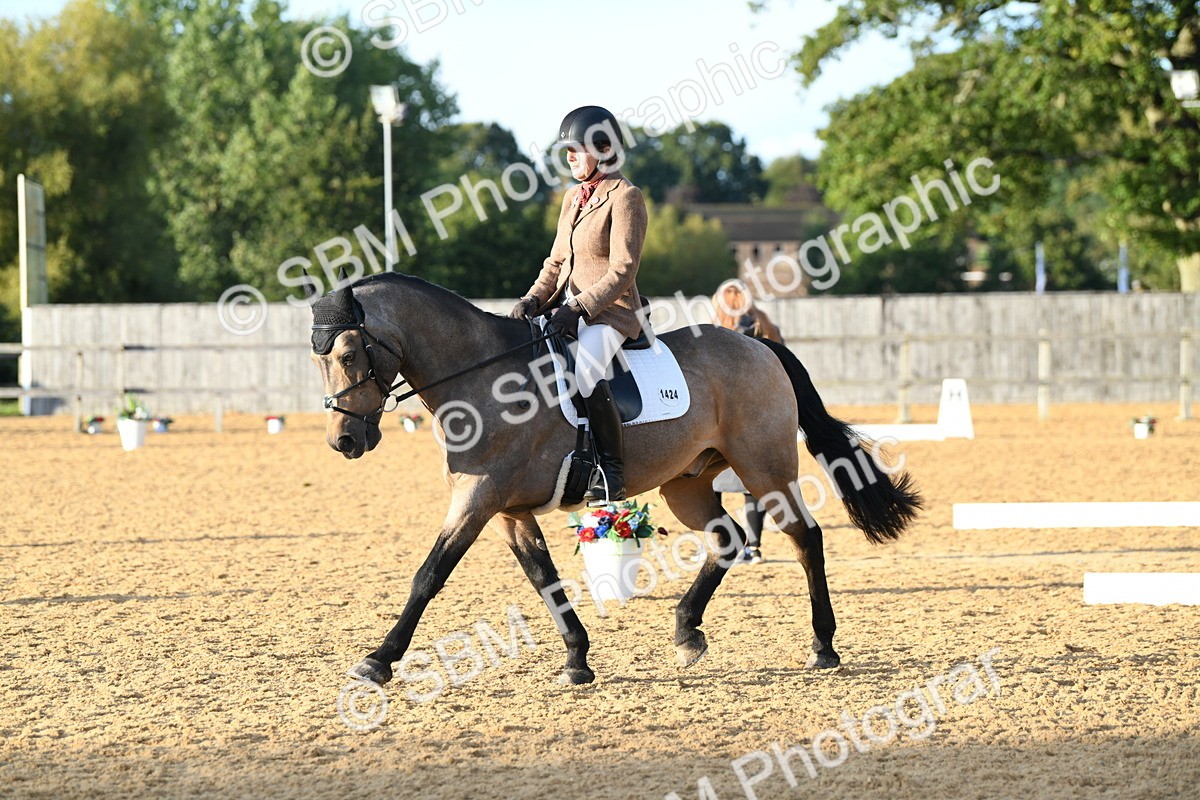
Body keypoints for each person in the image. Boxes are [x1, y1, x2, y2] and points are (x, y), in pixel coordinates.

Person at [510, 106, 648, 506]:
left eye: (576, 149)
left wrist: (580, 308)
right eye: (566, 150)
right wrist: (534, 298)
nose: (568, 157)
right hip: (566, 308)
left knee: (586, 370)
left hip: (611, 312)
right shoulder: (573, 198)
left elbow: (623, 269)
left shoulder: (626, 197)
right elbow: (556, 261)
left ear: (604, 149)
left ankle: (612, 470)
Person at [710, 278, 784, 564]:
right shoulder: (765, 326)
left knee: (711, 481)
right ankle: (754, 545)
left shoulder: (718, 331)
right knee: (753, 483)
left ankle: (722, 543)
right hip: (762, 416)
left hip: (723, 418)